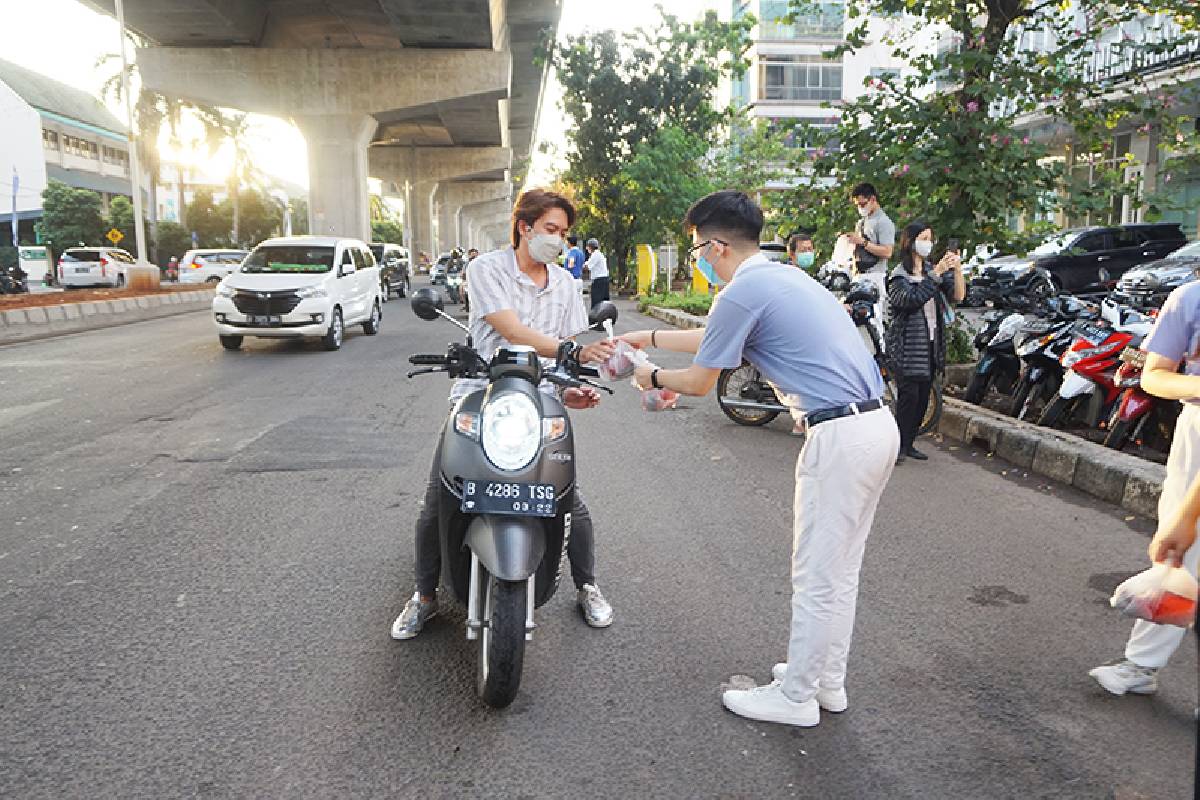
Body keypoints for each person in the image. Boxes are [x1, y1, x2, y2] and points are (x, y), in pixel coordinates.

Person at [621, 191, 899, 727]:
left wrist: (649, 374)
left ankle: (795, 696)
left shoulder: (743, 293)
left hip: (839, 436)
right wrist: (648, 335)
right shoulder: (782, 277)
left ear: (716, 244)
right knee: (841, 571)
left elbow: (702, 381)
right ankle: (824, 682)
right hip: (873, 424)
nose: (699, 259)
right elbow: (717, 338)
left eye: (698, 249)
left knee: (817, 573)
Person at [391, 189, 618, 641]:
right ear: (524, 227)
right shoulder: (485, 268)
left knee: (568, 498)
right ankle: (423, 597)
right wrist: (571, 350)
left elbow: (564, 361)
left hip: (541, 399)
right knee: (440, 495)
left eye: (564, 233)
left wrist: (572, 389)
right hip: (479, 391)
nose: (558, 240)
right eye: (550, 230)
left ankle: (587, 585)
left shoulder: (566, 285)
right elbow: (513, 331)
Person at [1090, 278, 1200, 700]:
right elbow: (1154, 376)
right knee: (1178, 555)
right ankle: (1141, 665)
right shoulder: (1188, 299)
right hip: (1194, 431)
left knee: (1181, 542)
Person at [885, 222, 964, 464]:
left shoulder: (931, 270)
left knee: (922, 398)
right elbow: (912, 299)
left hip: (930, 344)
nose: (928, 243)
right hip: (907, 347)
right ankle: (896, 447)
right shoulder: (899, 275)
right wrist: (936, 274)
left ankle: (908, 444)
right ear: (910, 242)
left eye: (930, 238)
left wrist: (957, 270)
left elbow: (958, 296)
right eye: (923, 238)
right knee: (908, 399)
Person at [845, 183, 895, 334]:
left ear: (872, 199)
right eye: (858, 205)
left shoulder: (884, 222)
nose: (860, 207)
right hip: (859, 274)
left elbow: (887, 251)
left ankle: (880, 351)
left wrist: (864, 243)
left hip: (875, 275)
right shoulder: (862, 222)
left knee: (874, 318)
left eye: (862, 204)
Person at [585, 238, 610, 307]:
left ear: (590, 247)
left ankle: (597, 316)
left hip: (599, 280)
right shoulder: (599, 254)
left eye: (588, 246)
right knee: (604, 301)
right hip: (603, 279)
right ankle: (604, 316)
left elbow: (587, 267)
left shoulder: (595, 255)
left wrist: (580, 266)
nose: (587, 249)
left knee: (597, 301)